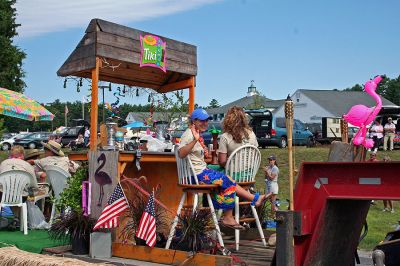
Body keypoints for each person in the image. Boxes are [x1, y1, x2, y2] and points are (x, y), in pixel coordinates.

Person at [178, 108, 270, 230]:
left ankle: (245, 203)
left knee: (225, 178)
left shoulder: (198, 134)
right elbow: (181, 153)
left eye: (207, 120)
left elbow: (219, 161)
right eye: (202, 121)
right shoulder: (189, 135)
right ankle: (229, 215)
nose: (205, 123)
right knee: (226, 180)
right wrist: (195, 140)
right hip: (194, 176)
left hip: (199, 172)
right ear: (194, 121)